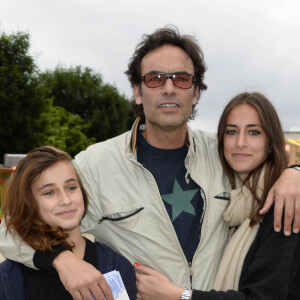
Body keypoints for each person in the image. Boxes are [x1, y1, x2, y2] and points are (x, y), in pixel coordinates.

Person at [0, 26, 300, 300]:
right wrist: (60, 259)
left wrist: (294, 171)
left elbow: (268, 167)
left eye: (181, 79)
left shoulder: (224, 151)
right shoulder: (95, 165)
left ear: (195, 93)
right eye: (155, 79)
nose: (168, 88)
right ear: (137, 91)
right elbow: (14, 225)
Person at [134, 92, 300, 299]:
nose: (240, 142)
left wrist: (179, 296)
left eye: (254, 132)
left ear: (270, 142)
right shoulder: (236, 202)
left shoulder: (284, 205)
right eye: (231, 132)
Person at [0, 146, 136, 300]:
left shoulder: (115, 266)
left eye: (71, 187)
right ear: (28, 203)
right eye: (49, 192)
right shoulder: (9, 277)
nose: (65, 200)